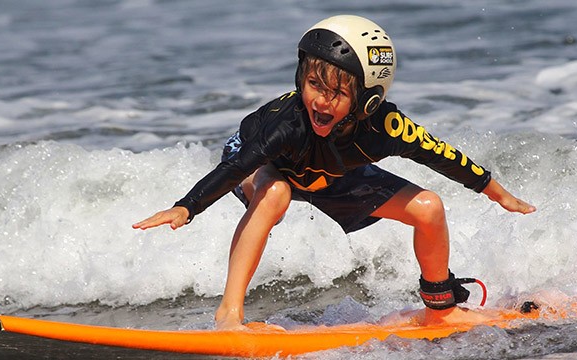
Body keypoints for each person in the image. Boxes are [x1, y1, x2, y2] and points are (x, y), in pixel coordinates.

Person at [133, 15, 536, 330]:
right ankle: (229, 314)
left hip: (331, 173)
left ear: (366, 99)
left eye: (338, 93)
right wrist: (186, 207)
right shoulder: (287, 124)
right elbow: (238, 165)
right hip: (264, 165)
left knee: (429, 207)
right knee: (276, 194)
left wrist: (495, 191)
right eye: (313, 84)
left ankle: (440, 309)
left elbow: (442, 155)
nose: (321, 101)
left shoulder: (385, 128)